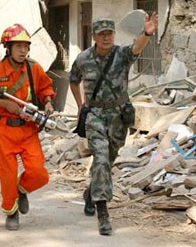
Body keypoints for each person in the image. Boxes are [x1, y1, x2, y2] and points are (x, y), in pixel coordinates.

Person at [69, 13, 158, 235]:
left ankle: (91, 192)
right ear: (94, 36)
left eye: (109, 33)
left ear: (113, 35)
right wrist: (81, 106)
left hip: (119, 115)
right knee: (100, 157)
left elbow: (136, 48)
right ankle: (103, 213)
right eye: (102, 34)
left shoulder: (121, 55)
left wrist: (147, 33)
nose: (106, 38)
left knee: (107, 160)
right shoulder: (83, 58)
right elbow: (73, 80)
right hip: (95, 115)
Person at [0, 23, 55, 231]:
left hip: (28, 130)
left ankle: (21, 190)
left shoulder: (34, 68)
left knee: (39, 173)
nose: (22, 51)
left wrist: (47, 101)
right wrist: (3, 104)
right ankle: (11, 213)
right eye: (18, 46)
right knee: (7, 176)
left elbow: (45, 86)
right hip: (3, 131)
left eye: (25, 47)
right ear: (7, 48)